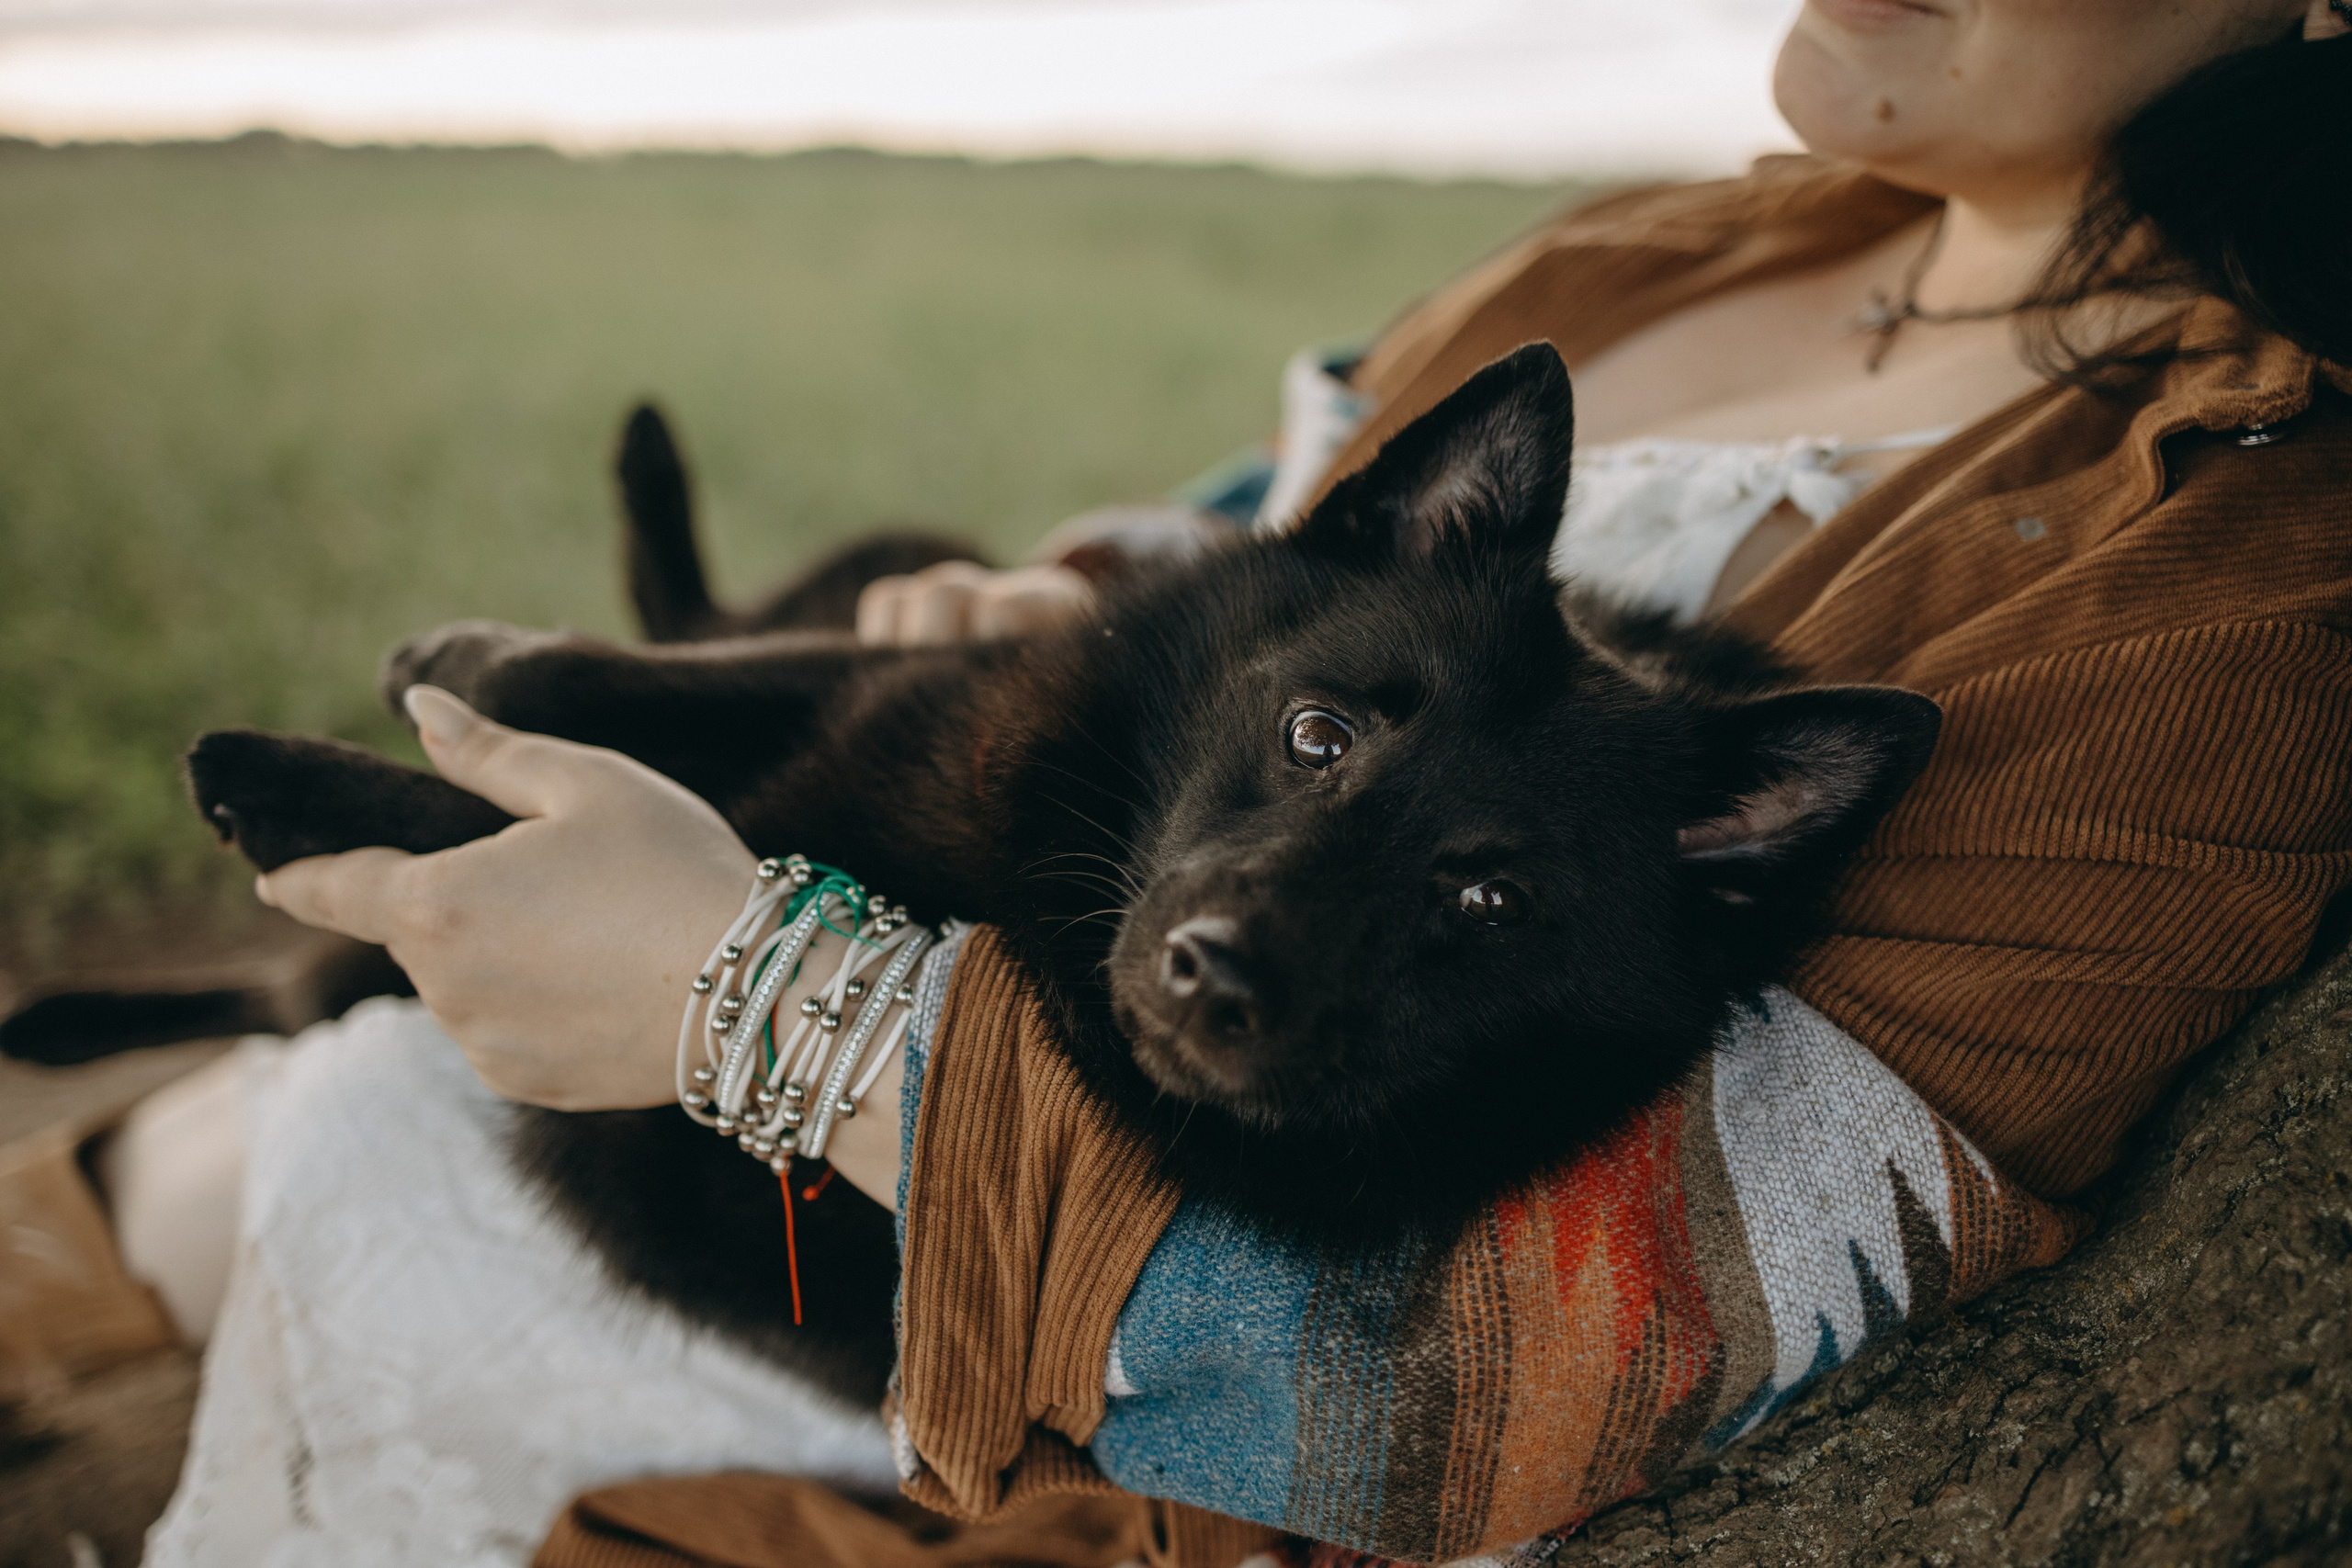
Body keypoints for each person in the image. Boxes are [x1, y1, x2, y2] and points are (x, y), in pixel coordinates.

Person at [117, 2, 2351, 1563]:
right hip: (944, 980)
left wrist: (753, 1000)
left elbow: (1551, 1359)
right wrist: (1061, 578)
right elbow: (1282, 542)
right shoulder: (1685, 234)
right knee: (289, 1104)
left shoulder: (2236, 564)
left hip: (1024, 1329)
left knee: (322, 1147)